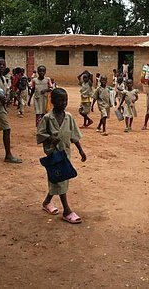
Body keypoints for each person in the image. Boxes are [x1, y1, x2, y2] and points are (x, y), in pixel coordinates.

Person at [37, 88, 87, 223]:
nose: (63, 103)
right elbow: (40, 134)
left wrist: (81, 150)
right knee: (60, 179)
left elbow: (74, 136)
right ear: (52, 101)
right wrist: (50, 138)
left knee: (58, 179)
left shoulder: (69, 117)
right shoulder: (47, 118)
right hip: (53, 154)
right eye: (60, 100)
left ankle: (47, 202)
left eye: (65, 100)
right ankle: (67, 210)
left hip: (65, 153)